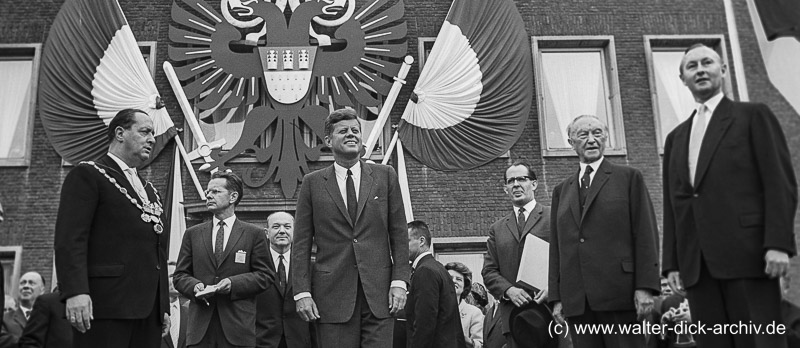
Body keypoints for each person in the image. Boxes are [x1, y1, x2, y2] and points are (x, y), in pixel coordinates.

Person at [662, 43, 798, 348]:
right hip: (697, 267)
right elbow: (675, 204)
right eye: (691, 66)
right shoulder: (675, 138)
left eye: (707, 62)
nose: (700, 69)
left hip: (749, 258)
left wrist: (778, 244)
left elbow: (779, 183)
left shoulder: (753, 116)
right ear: (682, 77)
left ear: (722, 70)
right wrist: (671, 262)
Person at [291, 108, 409, 348]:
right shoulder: (312, 184)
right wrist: (302, 292)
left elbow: (399, 235)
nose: (351, 135)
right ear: (328, 140)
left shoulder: (385, 176)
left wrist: (399, 282)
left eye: (355, 131)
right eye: (343, 131)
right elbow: (301, 244)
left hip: (380, 296)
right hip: (331, 298)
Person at [54, 108, 170, 348]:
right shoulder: (88, 174)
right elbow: (70, 240)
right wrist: (75, 292)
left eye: (153, 134)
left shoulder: (151, 191)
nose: (152, 139)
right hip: (105, 306)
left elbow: (158, 250)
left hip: (148, 313)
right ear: (120, 133)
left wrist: (163, 306)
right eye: (145, 131)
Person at [549, 115, 661, 348]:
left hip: (620, 295)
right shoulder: (562, 190)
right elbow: (557, 249)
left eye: (597, 133)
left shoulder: (629, 178)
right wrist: (557, 297)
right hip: (578, 301)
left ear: (606, 138)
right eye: (583, 134)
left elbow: (646, 235)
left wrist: (645, 287)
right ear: (571, 142)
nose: (591, 140)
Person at [173, 171, 272, 348]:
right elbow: (180, 276)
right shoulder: (192, 234)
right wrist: (195, 286)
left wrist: (233, 284)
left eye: (215, 192)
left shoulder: (254, 234)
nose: (208, 195)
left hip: (238, 330)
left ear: (233, 196)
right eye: (207, 192)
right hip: (200, 331)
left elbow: (265, 276)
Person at [482, 161, 552, 348]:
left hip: (550, 313)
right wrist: (508, 290)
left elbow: (569, 261)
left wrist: (553, 286)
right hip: (515, 320)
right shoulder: (497, 229)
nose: (516, 184)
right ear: (505, 188)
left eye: (522, 179)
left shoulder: (553, 217)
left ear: (534, 184)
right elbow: (489, 271)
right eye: (511, 181)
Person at [405, 220, 465, 348]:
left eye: (406, 241)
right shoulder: (438, 268)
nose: (401, 247)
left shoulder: (425, 271)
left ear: (421, 241)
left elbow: (424, 322)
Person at [256, 211, 312, 348]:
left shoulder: (310, 266)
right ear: (266, 232)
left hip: (299, 342)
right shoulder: (255, 265)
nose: (282, 231)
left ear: (295, 231)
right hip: (262, 342)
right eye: (276, 227)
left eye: (287, 227)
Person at [446, 262, 484, 348]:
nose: (454, 281)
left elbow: (480, 345)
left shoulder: (474, 313)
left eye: (459, 279)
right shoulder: (434, 309)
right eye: (450, 278)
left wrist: (461, 338)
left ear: (464, 286)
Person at [3, 272, 46, 342]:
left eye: (31, 283)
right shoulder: (4, 319)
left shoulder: (51, 318)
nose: (26, 286)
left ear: (42, 290)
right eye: (22, 283)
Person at [162, 261, 188, 348]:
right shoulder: (153, 313)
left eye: (179, 277)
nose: (177, 280)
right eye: (172, 276)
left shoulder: (190, 312)